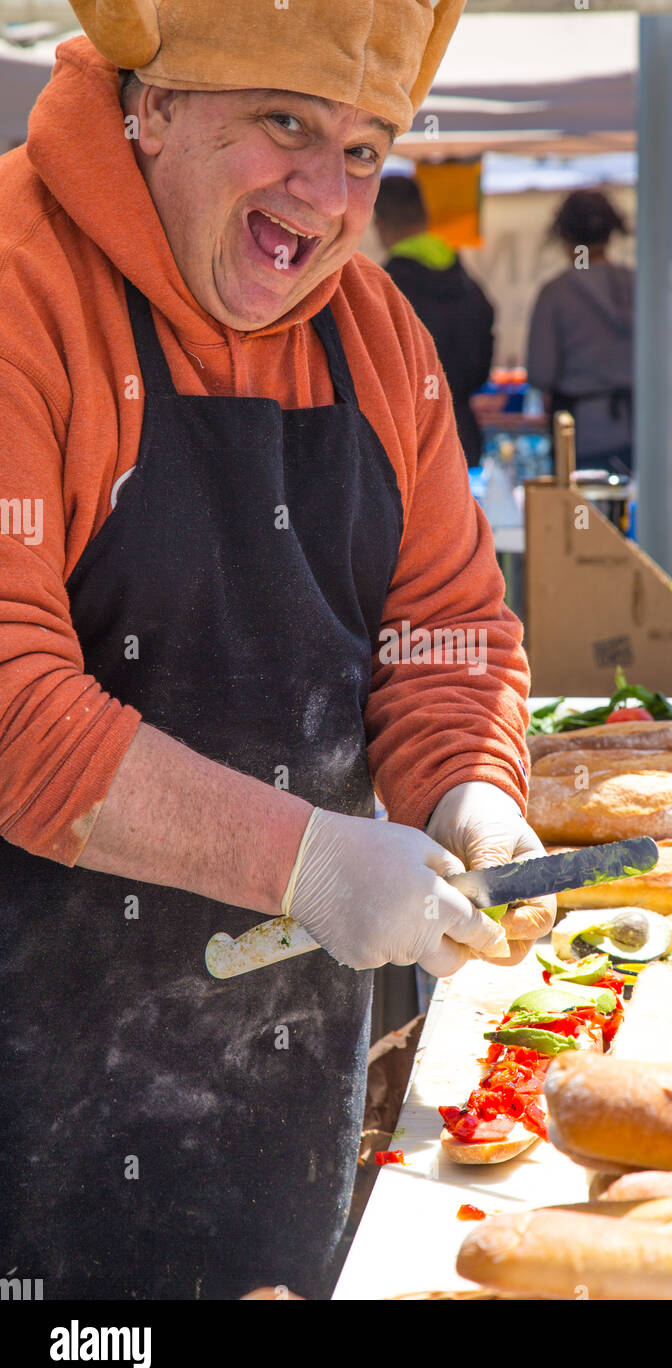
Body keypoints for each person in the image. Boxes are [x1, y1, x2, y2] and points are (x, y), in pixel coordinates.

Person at [0, 0, 555, 1301]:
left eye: (364, 149)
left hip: (280, 1096)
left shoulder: (377, 337)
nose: (324, 189)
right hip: (31, 1093)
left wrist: (471, 796)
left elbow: (449, 638)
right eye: (286, 123)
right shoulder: (21, 290)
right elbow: (13, 705)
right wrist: (303, 858)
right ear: (156, 106)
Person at [374, 174, 495, 468]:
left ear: (378, 224)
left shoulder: (381, 291)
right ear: (426, 216)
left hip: (404, 442)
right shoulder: (468, 283)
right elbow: (481, 364)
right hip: (462, 435)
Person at [527, 188, 634, 473]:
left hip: (582, 435)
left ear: (564, 236)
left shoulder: (557, 293)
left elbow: (541, 372)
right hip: (645, 428)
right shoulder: (639, 283)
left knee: (586, 516)